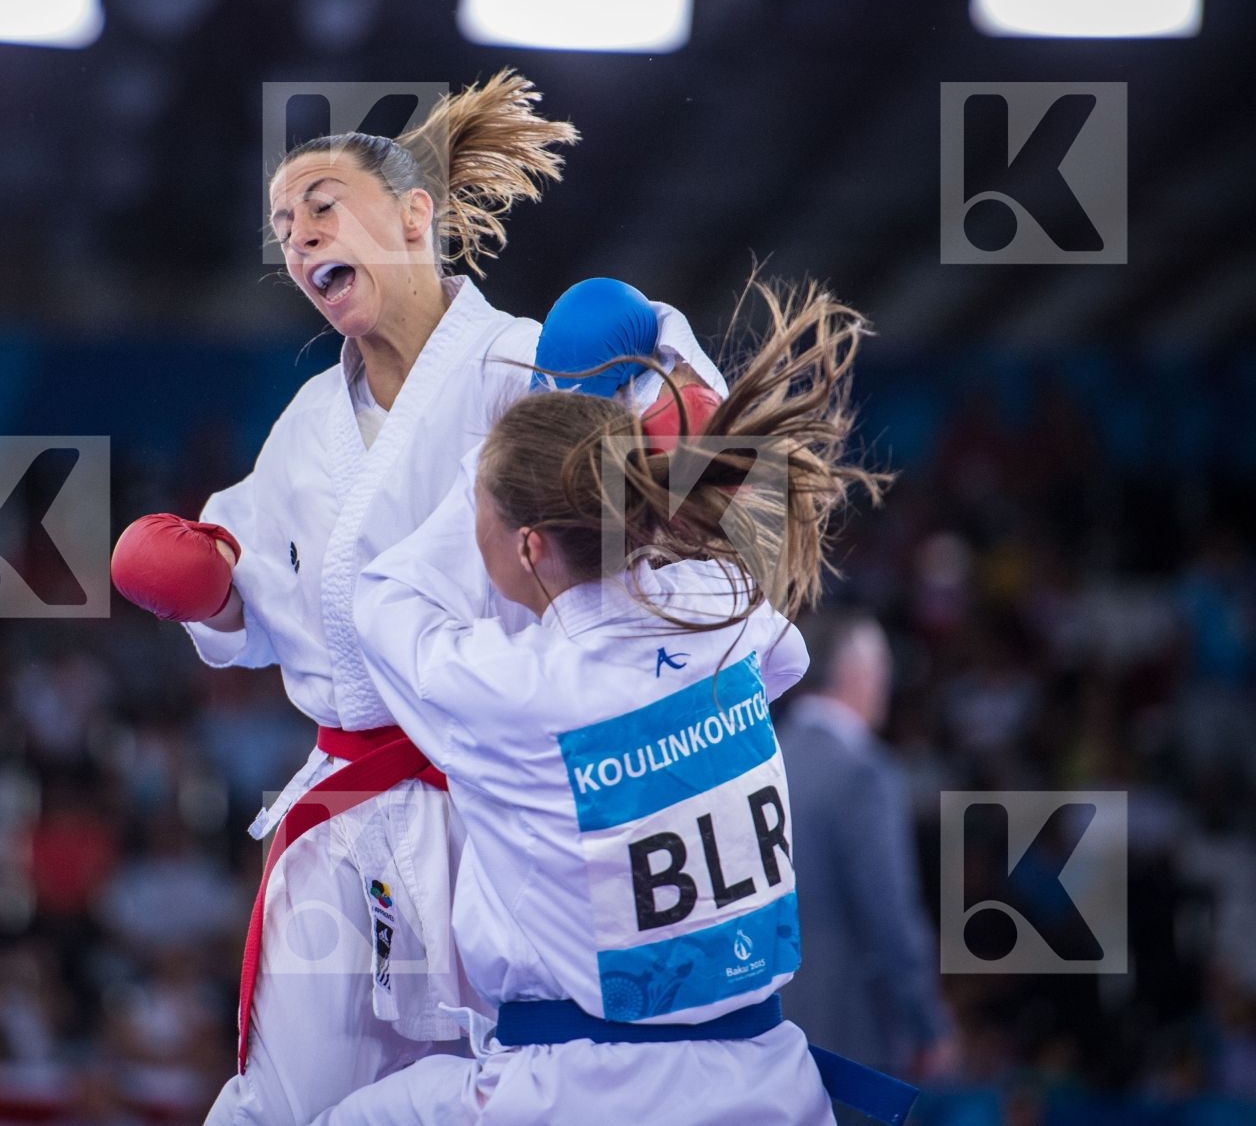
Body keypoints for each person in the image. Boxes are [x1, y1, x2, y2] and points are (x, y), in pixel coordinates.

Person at [108, 70, 578, 1125]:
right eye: (283, 224)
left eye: (320, 206)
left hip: (500, 807)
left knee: (520, 1094)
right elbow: (247, 583)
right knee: (286, 1098)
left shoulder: (526, 368)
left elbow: (636, 515)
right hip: (349, 804)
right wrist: (208, 585)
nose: (297, 236)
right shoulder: (313, 417)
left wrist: (667, 415)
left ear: (416, 215)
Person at [318, 279, 902, 1124]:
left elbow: (378, 599)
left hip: (582, 1097)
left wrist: (514, 433)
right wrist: (639, 374)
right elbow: (780, 644)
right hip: (772, 1088)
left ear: (524, 542)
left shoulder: (512, 693)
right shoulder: (732, 620)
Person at [779, 609, 955, 1111]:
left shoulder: (761, 761)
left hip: (762, 1035)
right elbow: (890, 916)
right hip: (851, 1038)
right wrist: (927, 1024)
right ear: (857, 673)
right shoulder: (863, 773)